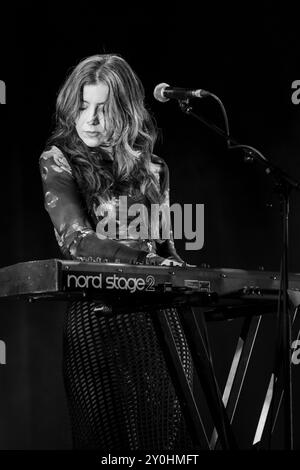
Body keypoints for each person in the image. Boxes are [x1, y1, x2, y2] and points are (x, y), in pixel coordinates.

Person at [39, 54, 194, 451]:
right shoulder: (59, 160)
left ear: (125, 114)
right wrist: (146, 262)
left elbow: (166, 247)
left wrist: (184, 270)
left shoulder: (154, 168)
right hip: (97, 315)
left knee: (164, 443)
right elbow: (76, 239)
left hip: (158, 319)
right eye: (83, 106)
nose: (89, 118)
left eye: (102, 108)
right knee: (106, 445)